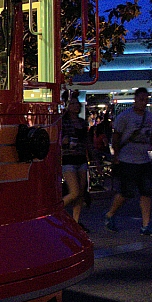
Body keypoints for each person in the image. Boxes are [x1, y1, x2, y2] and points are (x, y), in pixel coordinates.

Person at [105, 87, 152, 235]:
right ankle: (110, 214)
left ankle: (146, 225)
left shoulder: (150, 118)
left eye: (146, 100)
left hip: (143, 159)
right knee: (126, 192)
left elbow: (151, 137)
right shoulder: (125, 116)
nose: (143, 103)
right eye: (141, 99)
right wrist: (116, 156)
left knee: (146, 192)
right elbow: (117, 136)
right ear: (135, 100)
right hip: (128, 159)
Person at [61, 96, 90, 230]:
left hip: (81, 157)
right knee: (74, 191)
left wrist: (93, 157)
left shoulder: (83, 123)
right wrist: (63, 141)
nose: (76, 106)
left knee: (81, 193)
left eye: (77, 103)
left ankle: (75, 221)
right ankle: (54, 211)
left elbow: (87, 142)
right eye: (72, 103)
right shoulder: (63, 122)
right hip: (68, 158)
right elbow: (57, 139)